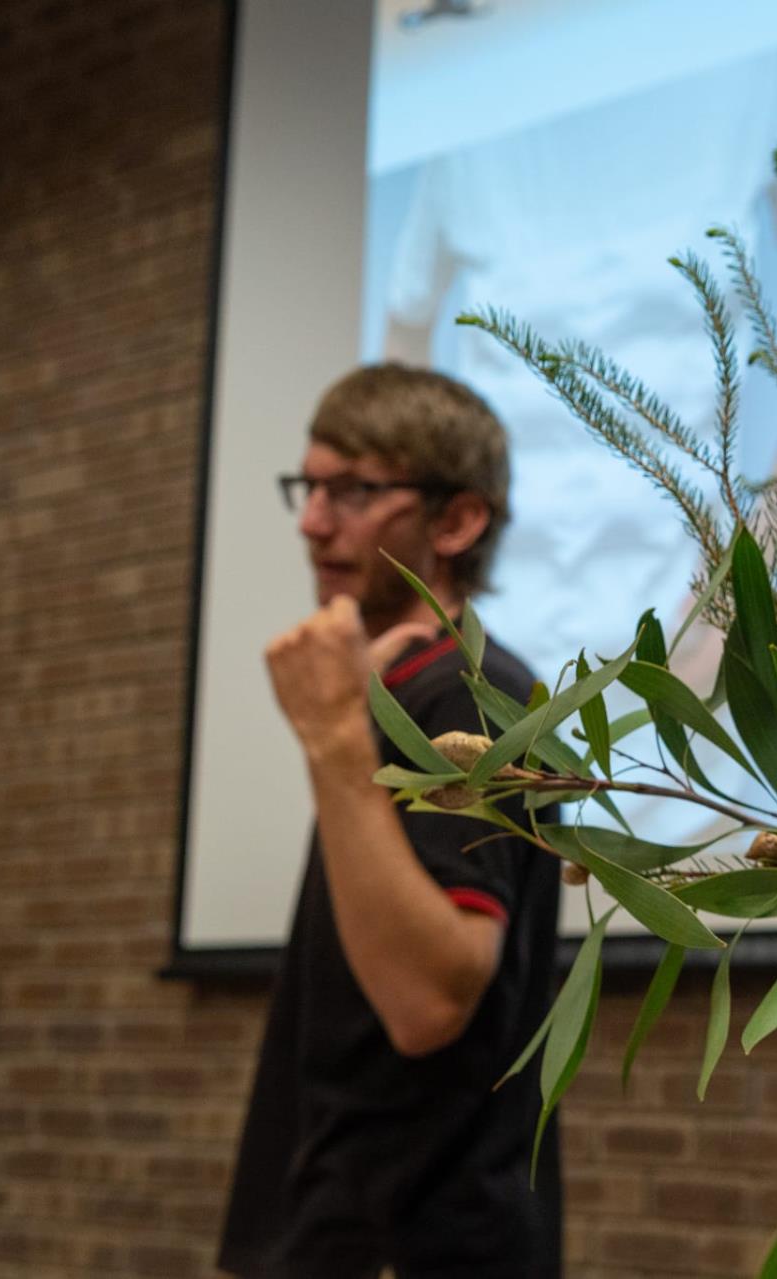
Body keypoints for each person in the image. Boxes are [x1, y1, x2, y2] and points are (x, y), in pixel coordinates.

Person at [218, 365, 561, 1279]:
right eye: (311, 486)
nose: (314, 520)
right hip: (344, 1227)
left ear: (455, 521)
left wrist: (332, 736)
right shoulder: (395, 686)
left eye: (355, 491)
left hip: (423, 1241)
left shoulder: (476, 698)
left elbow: (430, 1000)